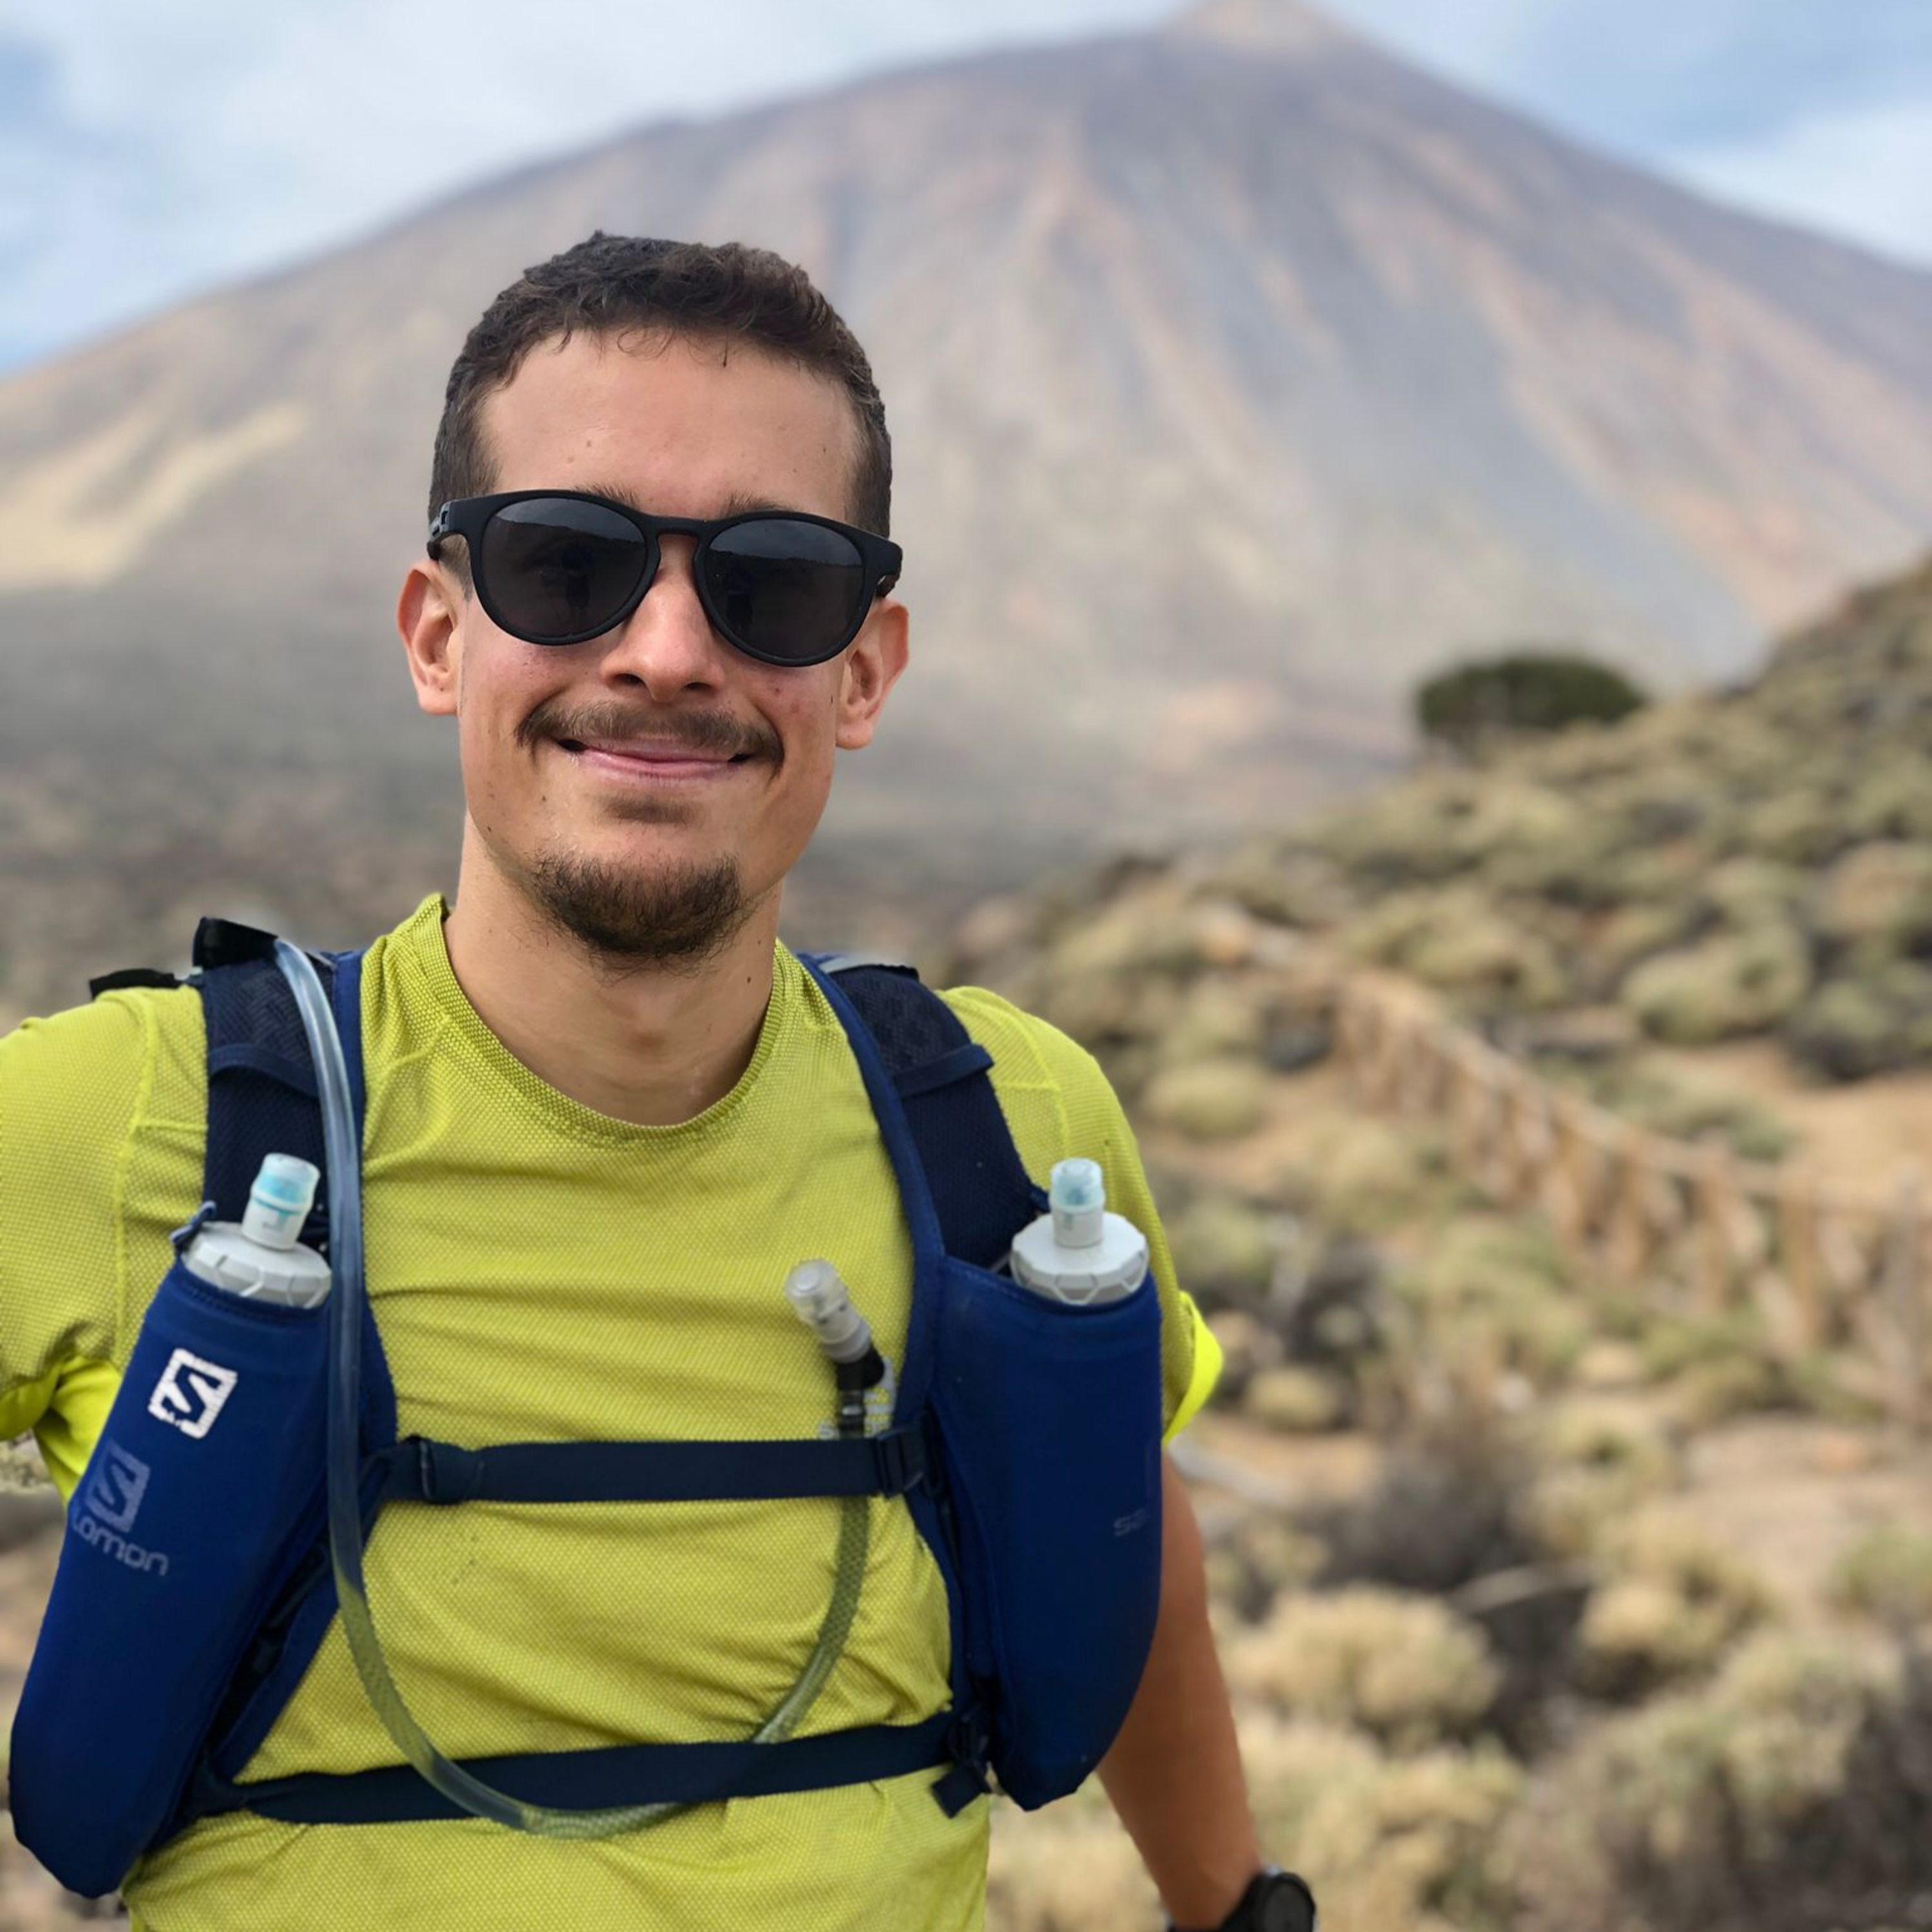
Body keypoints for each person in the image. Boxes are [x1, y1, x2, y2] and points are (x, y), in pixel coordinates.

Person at [0, 234, 1307, 1932]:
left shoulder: (1007, 1126)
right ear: (438, 635)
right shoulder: (123, 1117)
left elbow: (1129, 1535)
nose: (671, 650)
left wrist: (1244, 1913)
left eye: (776, 584)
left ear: (863, 669)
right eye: (567, 562)